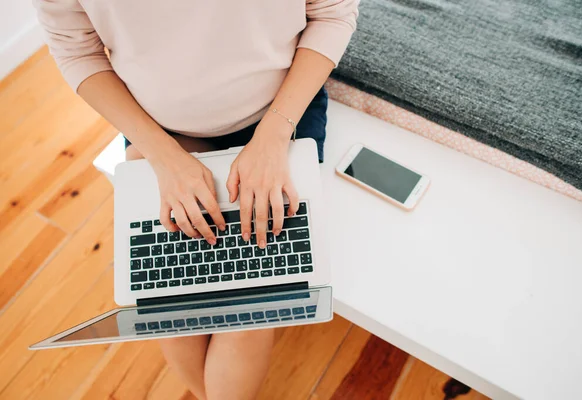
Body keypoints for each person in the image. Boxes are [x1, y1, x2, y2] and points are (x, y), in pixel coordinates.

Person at [34, 1, 358, 398]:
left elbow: (332, 13)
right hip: (157, 128)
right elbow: (75, 49)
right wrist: (163, 155)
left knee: (251, 298)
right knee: (170, 293)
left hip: (277, 112)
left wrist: (274, 134)